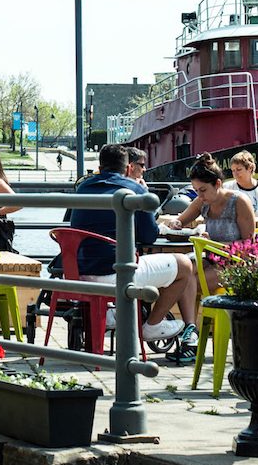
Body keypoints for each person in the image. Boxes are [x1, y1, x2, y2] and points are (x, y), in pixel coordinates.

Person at [69, 143, 197, 342]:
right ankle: (153, 325)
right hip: (117, 274)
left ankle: (115, 314)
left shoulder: (83, 187)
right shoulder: (134, 189)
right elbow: (149, 237)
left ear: (100, 168)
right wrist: (144, 196)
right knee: (184, 265)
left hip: (80, 273)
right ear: (128, 169)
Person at [168, 153, 256, 244]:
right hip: (209, 254)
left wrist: (213, 244)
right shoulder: (201, 201)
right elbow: (179, 220)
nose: (200, 196)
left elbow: (249, 243)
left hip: (236, 257)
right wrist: (175, 223)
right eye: (196, 191)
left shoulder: (240, 202)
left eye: (203, 190)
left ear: (218, 184)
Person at [223, 150, 258, 219]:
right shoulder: (226, 188)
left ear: (250, 168)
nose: (235, 174)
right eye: (233, 170)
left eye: (239, 169)